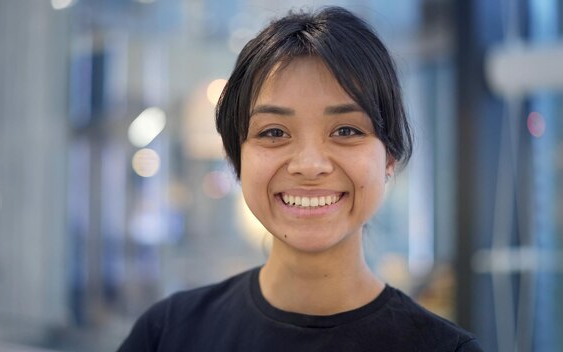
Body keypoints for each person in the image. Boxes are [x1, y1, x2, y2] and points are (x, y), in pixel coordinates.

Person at [118, 6, 482, 352]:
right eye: (274, 133)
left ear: (389, 157)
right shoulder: (168, 334)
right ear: (235, 157)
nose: (309, 165)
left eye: (345, 129)